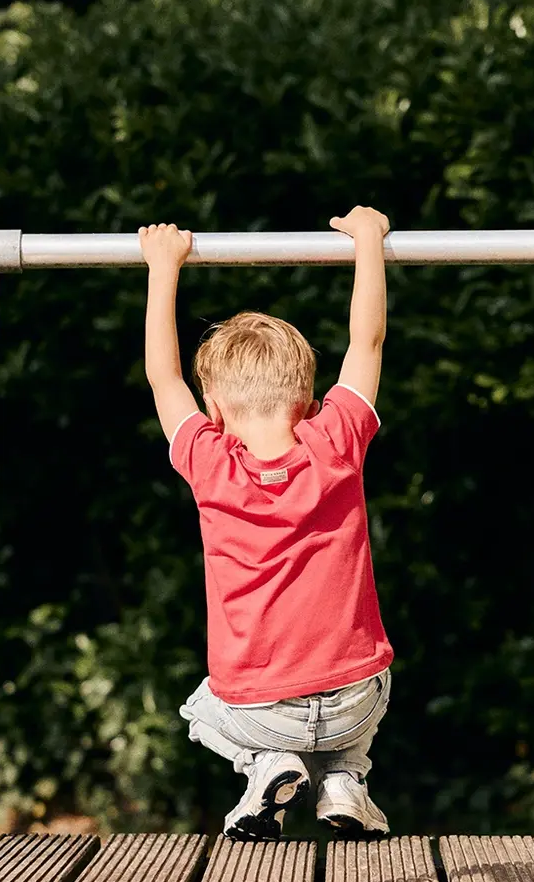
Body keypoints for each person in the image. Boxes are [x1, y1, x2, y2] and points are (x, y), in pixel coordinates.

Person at [139, 207, 393, 839]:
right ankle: (345, 780)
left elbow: (162, 375)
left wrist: (162, 267)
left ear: (214, 410)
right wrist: (369, 241)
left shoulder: (208, 461)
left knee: (202, 709)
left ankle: (266, 763)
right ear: (308, 404)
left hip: (260, 709)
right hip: (353, 701)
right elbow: (367, 343)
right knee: (368, 676)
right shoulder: (336, 441)